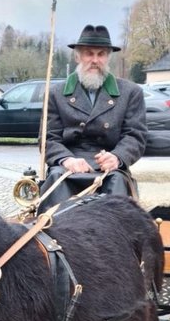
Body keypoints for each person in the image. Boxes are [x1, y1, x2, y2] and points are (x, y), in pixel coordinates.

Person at [40, 24, 146, 211]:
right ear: (78, 56)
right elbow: (48, 139)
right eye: (89, 53)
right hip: (68, 166)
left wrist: (117, 157)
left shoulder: (130, 92)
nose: (95, 60)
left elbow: (135, 135)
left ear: (108, 58)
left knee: (117, 185)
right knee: (56, 183)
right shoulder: (56, 93)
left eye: (101, 54)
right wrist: (67, 160)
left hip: (110, 168)